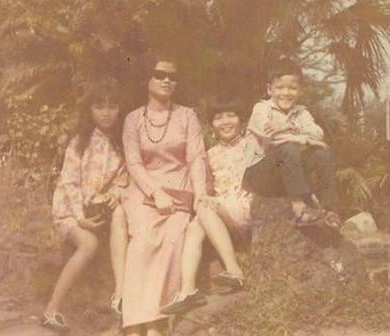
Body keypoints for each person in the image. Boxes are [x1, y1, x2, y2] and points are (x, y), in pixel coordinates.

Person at [120, 56, 208, 336]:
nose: (167, 80)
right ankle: (135, 327)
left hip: (180, 191)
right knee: (142, 244)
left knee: (172, 243)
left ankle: (156, 325)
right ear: (148, 80)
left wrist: (201, 194)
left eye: (172, 76)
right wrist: (155, 192)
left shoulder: (187, 115)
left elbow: (196, 157)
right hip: (145, 191)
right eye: (160, 75)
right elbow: (133, 163)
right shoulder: (133, 119)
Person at [43, 77, 128, 333]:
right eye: (99, 106)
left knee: (122, 218)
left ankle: (121, 296)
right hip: (70, 210)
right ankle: (51, 309)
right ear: (90, 110)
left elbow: (124, 176)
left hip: (99, 207)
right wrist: (80, 217)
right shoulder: (80, 141)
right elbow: (69, 183)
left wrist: (116, 191)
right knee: (89, 243)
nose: (106, 113)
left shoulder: (121, 143)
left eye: (112, 106)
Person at [160, 96, 252, 315]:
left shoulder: (253, 146)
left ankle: (234, 271)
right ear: (212, 125)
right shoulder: (208, 155)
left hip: (247, 209)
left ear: (241, 119)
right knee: (195, 224)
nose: (225, 122)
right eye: (218, 118)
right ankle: (188, 290)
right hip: (222, 214)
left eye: (231, 115)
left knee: (203, 206)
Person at [242, 58, 341, 228]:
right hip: (259, 175)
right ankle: (298, 206)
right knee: (288, 148)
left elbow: (318, 133)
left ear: (300, 90)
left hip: (285, 177)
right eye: (280, 88)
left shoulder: (301, 113)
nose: (286, 93)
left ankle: (330, 209)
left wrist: (289, 126)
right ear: (269, 89)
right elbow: (273, 138)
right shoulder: (261, 109)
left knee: (322, 153)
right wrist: (304, 139)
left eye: (292, 88)